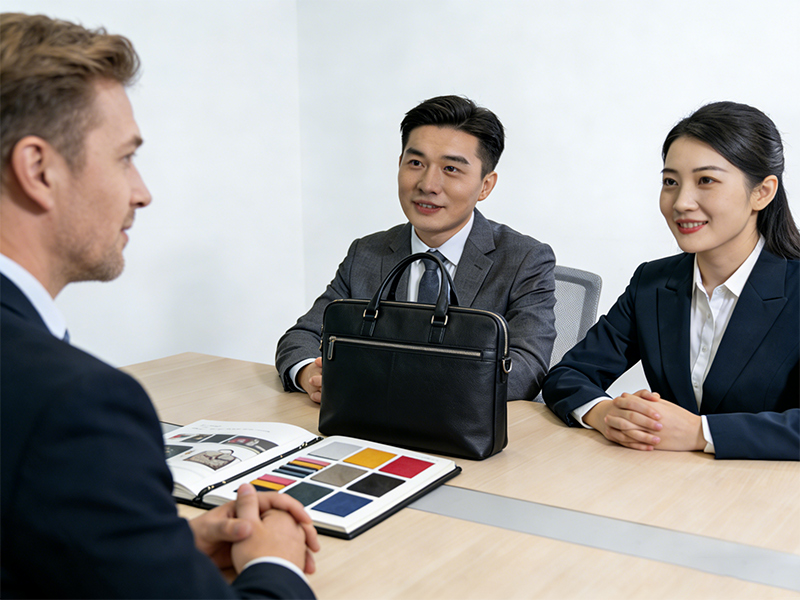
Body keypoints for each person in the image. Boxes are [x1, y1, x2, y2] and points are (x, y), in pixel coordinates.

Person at [0, 13, 319, 597]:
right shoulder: (76, 406)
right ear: (38, 170)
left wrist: (155, 549)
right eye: (125, 158)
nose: (142, 192)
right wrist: (276, 563)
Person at [542, 101, 799, 461]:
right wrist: (604, 413)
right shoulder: (653, 283)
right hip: (666, 480)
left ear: (763, 192)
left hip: (766, 489)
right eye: (671, 182)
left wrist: (699, 432)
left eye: (706, 181)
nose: (681, 202)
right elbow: (569, 373)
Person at [276, 95, 556, 402]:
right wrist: (312, 375)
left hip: (458, 423)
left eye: (451, 168)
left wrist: (403, 387)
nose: (427, 184)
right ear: (399, 165)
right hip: (369, 418)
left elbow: (527, 369)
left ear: (485, 186)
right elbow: (302, 337)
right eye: (416, 163)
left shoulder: (524, 260)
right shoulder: (366, 253)